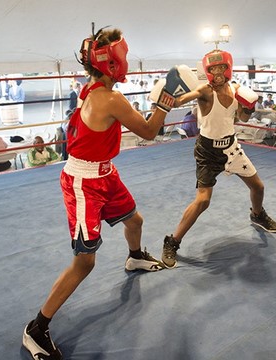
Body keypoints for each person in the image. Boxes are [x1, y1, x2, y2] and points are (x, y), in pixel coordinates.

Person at [22, 26, 181, 360]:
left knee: (134, 220)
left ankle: (135, 256)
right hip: (84, 183)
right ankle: (36, 328)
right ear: (112, 62)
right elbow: (150, 132)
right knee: (85, 262)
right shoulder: (111, 98)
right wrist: (166, 101)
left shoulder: (91, 88)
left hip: (105, 172)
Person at [160, 49, 276, 269]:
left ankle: (257, 214)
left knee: (258, 187)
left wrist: (249, 107)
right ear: (207, 71)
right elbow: (182, 100)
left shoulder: (236, 90)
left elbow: (242, 117)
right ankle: (172, 241)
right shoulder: (205, 90)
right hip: (207, 152)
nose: (216, 72)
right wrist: (169, 94)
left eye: (220, 68)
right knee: (203, 201)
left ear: (228, 68)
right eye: (212, 68)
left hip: (231, 148)